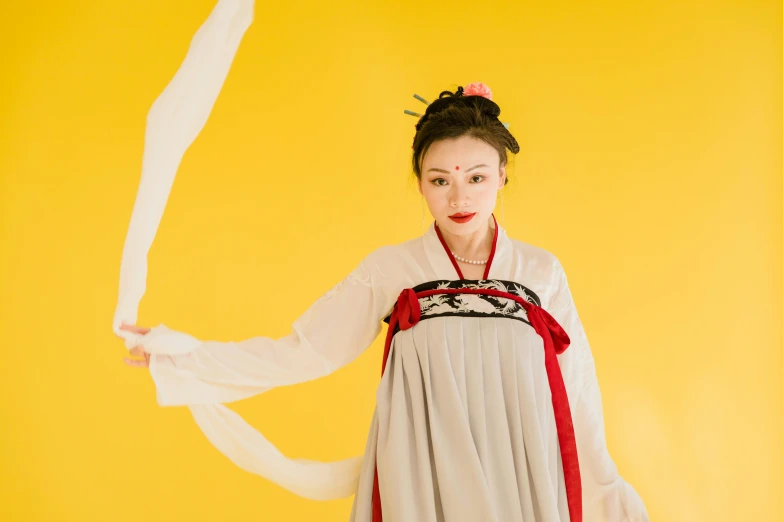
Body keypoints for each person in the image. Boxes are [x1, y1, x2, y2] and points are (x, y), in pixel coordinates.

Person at [120, 75, 651, 519]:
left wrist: (606, 486)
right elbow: (307, 349)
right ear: (419, 183)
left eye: (476, 176)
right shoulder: (392, 269)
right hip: (423, 480)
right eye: (440, 179)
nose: (460, 195)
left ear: (502, 176)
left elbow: (577, 383)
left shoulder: (539, 271)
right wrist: (186, 354)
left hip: (522, 475)